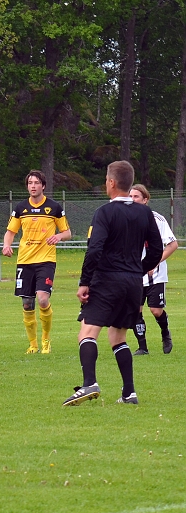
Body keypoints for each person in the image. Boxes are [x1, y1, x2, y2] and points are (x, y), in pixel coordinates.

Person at [63, 161, 162, 406]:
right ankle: (129, 393)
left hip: (107, 279)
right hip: (132, 283)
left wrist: (85, 282)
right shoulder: (144, 212)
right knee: (118, 337)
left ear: (111, 182)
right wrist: (136, 270)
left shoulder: (104, 212)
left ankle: (89, 384)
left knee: (87, 333)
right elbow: (157, 250)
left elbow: (94, 250)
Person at [2, 170, 71, 354]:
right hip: (25, 261)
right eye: (30, 183)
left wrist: (58, 236)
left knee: (42, 299)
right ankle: (32, 344)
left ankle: (46, 340)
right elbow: (10, 232)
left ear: (43, 186)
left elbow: (67, 232)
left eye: (36, 183)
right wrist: (7, 245)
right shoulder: (20, 208)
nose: (33, 186)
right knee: (27, 303)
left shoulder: (54, 207)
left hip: (46, 260)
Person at [129, 184, 177, 355]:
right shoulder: (126, 219)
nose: (132, 200)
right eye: (131, 196)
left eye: (136, 197)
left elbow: (173, 244)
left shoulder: (156, 219)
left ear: (145, 200)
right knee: (135, 310)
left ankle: (165, 332)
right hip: (134, 274)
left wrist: (155, 261)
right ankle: (142, 347)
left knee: (156, 310)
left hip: (155, 275)